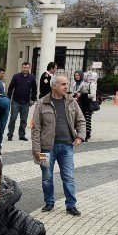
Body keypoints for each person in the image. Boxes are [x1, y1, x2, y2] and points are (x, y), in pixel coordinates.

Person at [31, 74, 85, 216]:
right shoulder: (42, 103)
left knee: (68, 177)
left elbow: (81, 120)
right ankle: (49, 202)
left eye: (67, 84)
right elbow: (36, 128)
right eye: (63, 84)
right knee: (46, 177)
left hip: (67, 146)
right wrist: (36, 149)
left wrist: (80, 136)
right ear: (54, 86)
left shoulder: (71, 101)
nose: (66, 86)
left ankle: (71, 205)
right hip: (45, 148)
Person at [6, 61, 37, 142]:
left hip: (26, 102)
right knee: (13, 118)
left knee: (24, 120)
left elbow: (34, 90)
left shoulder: (32, 78)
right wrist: (8, 98)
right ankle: (10, 134)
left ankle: (22, 135)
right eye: (24, 67)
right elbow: (10, 88)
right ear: (22, 68)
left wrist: (33, 99)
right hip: (16, 101)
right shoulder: (16, 76)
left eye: (27, 68)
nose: (26, 69)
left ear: (29, 68)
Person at [71, 70, 94, 141]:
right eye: (75, 75)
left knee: (86, 119)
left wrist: (81, 95)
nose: (77, 77)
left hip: (86, 103)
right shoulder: (75, 83)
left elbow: (92, 95)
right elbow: (74, 92)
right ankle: (79, 134)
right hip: (77, 103)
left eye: (78, 75)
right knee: (78, 120)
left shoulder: (89, 84)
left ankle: (86, 135)